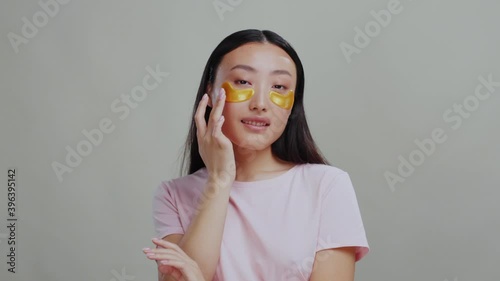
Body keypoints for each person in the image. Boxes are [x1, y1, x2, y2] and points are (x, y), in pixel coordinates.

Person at [142, 29, 369, 281]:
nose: (260, 103)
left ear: (293, 102)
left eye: (279, 86)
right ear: (210, 92)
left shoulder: (327, 186)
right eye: (243, 82)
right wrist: (219, 180)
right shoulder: (174, 195)